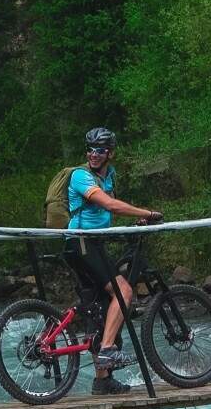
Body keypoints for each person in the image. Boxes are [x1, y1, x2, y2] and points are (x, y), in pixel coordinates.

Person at [67, 127, 163, 395]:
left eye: (99, 150)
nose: (93, 155)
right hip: (81, 243)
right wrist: (150, 213)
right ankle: (108, 350)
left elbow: (111, 208)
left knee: (104, 308)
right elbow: (109, 205)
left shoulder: (109, 175)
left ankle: (102, 379)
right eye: (89, 149)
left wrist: (137, 220)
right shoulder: (80, 176)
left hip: (95, 243)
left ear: (110, 153)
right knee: (124, 291)